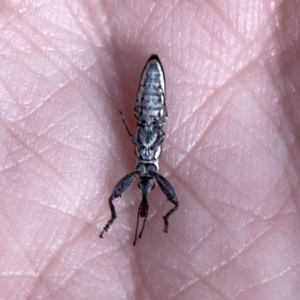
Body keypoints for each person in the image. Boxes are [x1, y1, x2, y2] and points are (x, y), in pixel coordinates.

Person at [0, 1, 299, 299]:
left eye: (144, 184)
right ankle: (114, 218)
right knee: (134, 198)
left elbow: (144, 153)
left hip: (148, 110)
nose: (143, 187)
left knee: (171, 202)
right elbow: (147, 153)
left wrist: (138, 142)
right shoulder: (147, 167)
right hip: (151, 113)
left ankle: (131, 218)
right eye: (144, 185)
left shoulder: (143, 166)